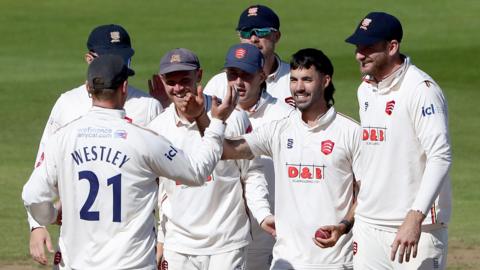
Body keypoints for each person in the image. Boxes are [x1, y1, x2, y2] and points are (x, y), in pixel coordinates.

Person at [22, 54, 237, 270]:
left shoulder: (62, 138)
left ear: (88, 88)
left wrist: (49, 215)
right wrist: (216, 124)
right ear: (124, 87)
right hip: (131, 265)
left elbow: (32, 194)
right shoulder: (144, 139)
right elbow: (197, 173)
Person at [198, 48, 360, 269]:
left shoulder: (350, 132)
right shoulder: (280, 130)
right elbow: (227, 150)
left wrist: (342, 226)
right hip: (286, 260)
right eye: (293, 80)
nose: (298, 87)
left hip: (333, 261)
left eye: (307, 80)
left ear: (325, 81)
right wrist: (212, 119)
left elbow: (365, 191)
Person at [28, 24, 163, 266]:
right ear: (89, 59)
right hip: (79, 243)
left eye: (125, 59)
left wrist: (164, 237)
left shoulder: (148, 106)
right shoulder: (67, 104)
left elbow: (167, 181)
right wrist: (36, 225)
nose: (120, 67)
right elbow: (43, 168)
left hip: (132, 247)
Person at [148, 48, 273, 270]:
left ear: (199, 75)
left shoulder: (233, 116)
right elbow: (160, 190)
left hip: (227, 240)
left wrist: (262, 214)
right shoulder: (157, 129)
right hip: (179, 243)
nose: (178, 88)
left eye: (184, 80)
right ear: (162, 81)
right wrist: (160, 240)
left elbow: (251, 173)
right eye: (171, 81)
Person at [345, 12, 452, 269]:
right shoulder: (365, 90)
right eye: (358, 47)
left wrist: (415, 217)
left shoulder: (421, 90)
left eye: (368, 47)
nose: (359, 54)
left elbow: (440, 155)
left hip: (416, 227)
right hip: (369, 224)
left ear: (392, 47)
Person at [207, 42, 294, 269]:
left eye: (246, 74)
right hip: (221, 231)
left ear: (262, 75)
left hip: (266, 230)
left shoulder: (284, 116)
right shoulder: (210, 113)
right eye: (232, 74)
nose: (238, 82)